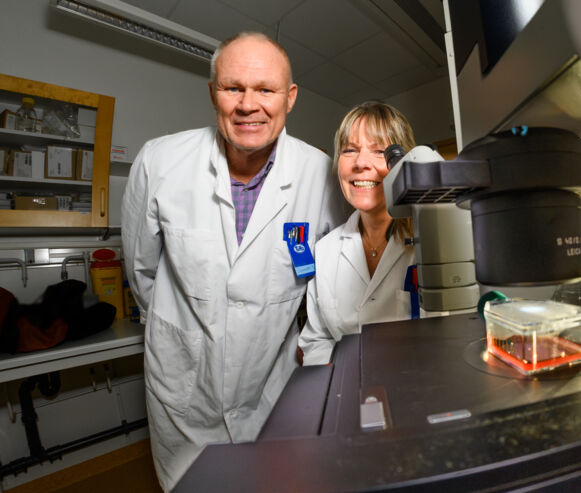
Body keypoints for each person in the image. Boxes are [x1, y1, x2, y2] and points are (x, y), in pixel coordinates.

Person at [121, 32, 347, 491]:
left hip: (271, 381)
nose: (249, 105)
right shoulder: (159, 162)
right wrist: (189, 326)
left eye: (265, 89)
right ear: (212, 93)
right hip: (184, 383)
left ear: (290, 98)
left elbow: (323, 278)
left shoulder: (319, 174)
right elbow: (142, 272)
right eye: (233, 88)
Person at [299, 101, 418, 366]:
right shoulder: (326, 249)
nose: (361, 163)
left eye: (379, 151)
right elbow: (316, 340)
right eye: (349, 150)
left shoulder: (432, 241)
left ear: (403, 163)